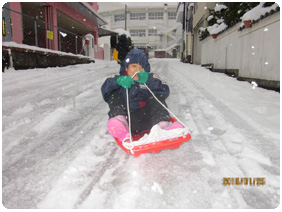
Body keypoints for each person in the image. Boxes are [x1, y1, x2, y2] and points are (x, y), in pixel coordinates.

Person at [101, 49, 183, 142]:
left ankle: (163, 126)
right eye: (134, 66)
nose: (137, 70)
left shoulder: (151, 79)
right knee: (114, 94)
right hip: (128, 120)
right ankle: (121, 125)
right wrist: (118, 81)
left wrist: (148, 80)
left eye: (141, 67)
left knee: (156, 97)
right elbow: (106, 90)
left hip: (149, 120)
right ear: (126, 68)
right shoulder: (120, 80)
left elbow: (164, 90)